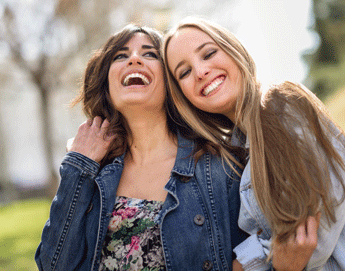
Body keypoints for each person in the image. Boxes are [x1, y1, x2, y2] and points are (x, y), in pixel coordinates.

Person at [35, 24, 249, 271]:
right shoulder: (91, 172)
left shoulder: (220, 166)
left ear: (171, 82)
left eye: (149, 54)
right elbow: (52, 266)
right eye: (120, 56)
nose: (134, 59)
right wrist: (79, 167)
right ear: (106, 84)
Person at [163, 17, 345, 270]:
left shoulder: (279, 105)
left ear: (233, 50)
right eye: (184, 72)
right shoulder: (236, 153)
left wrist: (249, 260)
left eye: (209, 53)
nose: (201, 71)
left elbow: (313, 234)